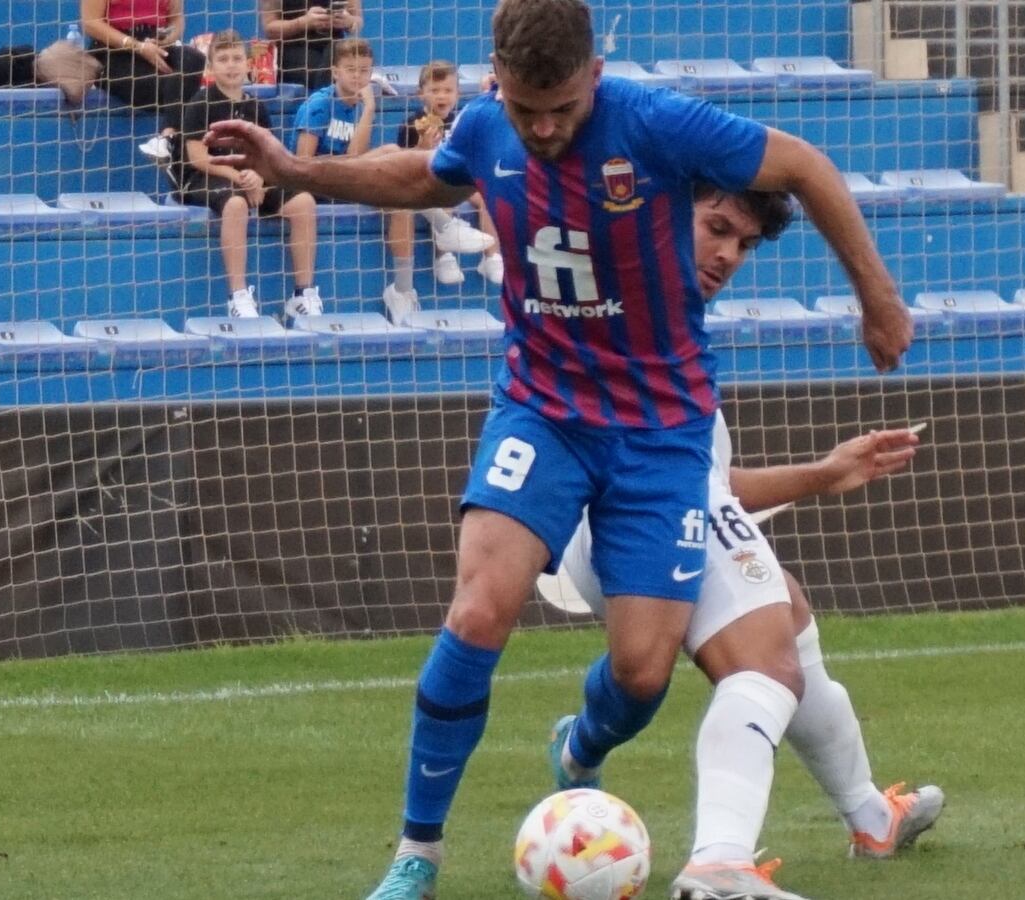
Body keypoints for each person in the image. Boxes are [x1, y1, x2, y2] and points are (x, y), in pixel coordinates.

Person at [203, 0, 913, 895]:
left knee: (644, 672)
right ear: (496, 75)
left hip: (660, 435)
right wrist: (301, 168)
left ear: (594, 77)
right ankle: (415, 855)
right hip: (542, 411)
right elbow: (428, 175)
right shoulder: (489, 125)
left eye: (563, 112)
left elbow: (805, 165)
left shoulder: (655, 123)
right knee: (477, 613)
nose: (542, 130)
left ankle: (580, 748)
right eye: (526, 107)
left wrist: (877, 298)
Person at [552, 184, 944, 899]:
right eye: (717, 229)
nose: (729, 254)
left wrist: (823, 474)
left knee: (786, 618)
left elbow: (715, 481)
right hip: (634, 506)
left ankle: (869, 817)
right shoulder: (630, 294)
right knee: (764, 659)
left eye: (744, 244)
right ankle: (719, 864)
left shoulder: (673, 312)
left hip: (633, 513)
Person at [177, 30, 321, 319]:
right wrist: (238, 177)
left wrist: (257, 176)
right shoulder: (200, 104)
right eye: (223, 59)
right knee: (236, 204)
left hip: (249, 178)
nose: (231, 65)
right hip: (208, 177)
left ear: (248, 65)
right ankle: (238, 296)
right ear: (211, 66)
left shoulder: (256, 107)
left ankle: (302, 294)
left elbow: (266, 155)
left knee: (304, 203)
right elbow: (198, 158)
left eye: (236, 58)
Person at [382, 61, 501, 323]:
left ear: (457, 94)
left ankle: (492, 256)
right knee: (441, 190)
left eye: (447, 90)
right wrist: (424, 146)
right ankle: (443, 255)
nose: (441, 96)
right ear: (420, 93)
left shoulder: (460, 121)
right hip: (422, 182)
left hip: (458, 178)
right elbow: (405, 168)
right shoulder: (411, 125)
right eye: (435, 90)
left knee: (485, 195)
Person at [79, 0, 206, 161]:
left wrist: (167, 38)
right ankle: (178, 144)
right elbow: (91, 23)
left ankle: (167, 137)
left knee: (194, 58)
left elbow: (176, 19)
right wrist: (137, 46)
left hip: (155, 45)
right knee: (175, 86)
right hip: (114, 52)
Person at [290, 38, 377, 158]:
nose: (357, 75)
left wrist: (369, 110)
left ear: (371, 74)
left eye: (364, 70)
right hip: (316, 172)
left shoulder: (365, 108)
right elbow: (303, 161)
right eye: (350, 69)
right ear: (335, 73)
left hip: (346, 171)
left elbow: (357, 158)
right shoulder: (318, 104)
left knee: (390, 151)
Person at [260, 0, 363, 92]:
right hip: (293, 51)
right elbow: (269, 28)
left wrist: (347, 21)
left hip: (333, 49)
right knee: (333, 68)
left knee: (338, 54)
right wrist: (303, 22)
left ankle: (321, 106)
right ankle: (323, 106)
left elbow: (357, 21)